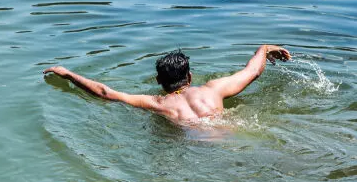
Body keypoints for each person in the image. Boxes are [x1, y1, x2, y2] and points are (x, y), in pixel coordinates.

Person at [43, 45, 291, 124]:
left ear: (159, 81)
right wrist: (264, 48)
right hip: (232, 133)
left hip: (196, 151)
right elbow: (252, 71)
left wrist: (68, 74)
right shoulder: (213, 89)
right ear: (190, 77)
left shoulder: (156, 103)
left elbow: (105, 93)